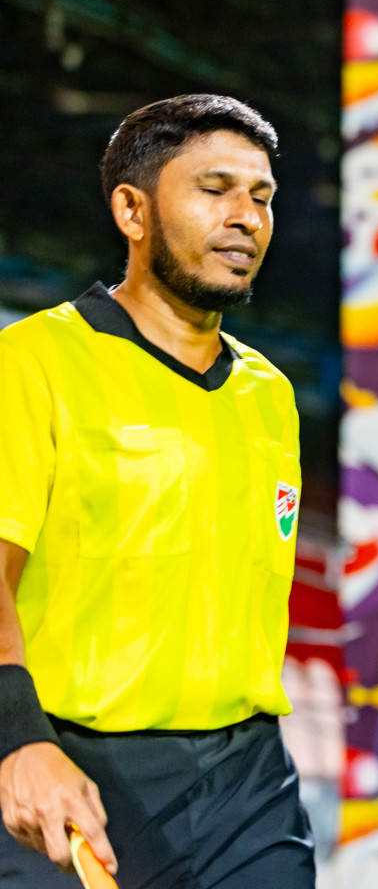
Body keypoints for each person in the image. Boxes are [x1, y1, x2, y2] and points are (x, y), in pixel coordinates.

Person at [0, 95, 313, 887]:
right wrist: (17, 740)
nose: (246, 215)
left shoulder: (270, 393)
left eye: (263, 196)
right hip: (74, 770)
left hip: (251, 783)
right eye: (214, 188)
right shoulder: (33, 361)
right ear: (132, 211)